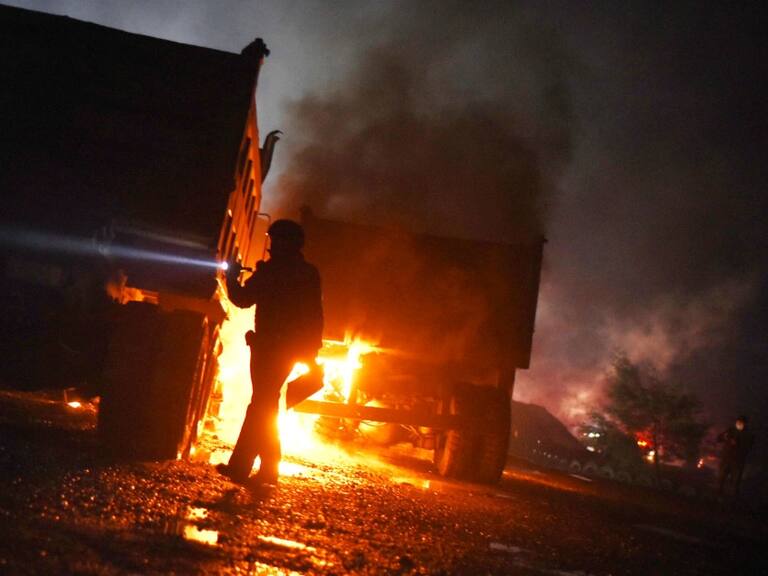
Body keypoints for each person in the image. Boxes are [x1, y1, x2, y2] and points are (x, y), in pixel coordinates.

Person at [217, 219, 323, 485]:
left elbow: (242, 299)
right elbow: (315, 315)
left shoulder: (271, 271)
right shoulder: (308, 273)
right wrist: (311, 352)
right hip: (287, 350)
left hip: (268, 348)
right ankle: (263, 469)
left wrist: (232, 278)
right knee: (265, 405)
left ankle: (245, 467)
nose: (272, 245)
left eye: (276, 240)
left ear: (286, 243)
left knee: (261, 405)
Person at [716, 415, 754, 500]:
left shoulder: (748, 434)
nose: (738, 424)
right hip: (726, 459)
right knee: (721, 478)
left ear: (745, 424)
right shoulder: (731, 430)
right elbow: (719, 439)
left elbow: (748, 447)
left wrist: (737, 444)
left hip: (737, 462)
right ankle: (717, 496)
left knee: (735, 482)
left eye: (741, 422)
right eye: (737, 422)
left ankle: (733, 500)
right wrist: (724, 437)